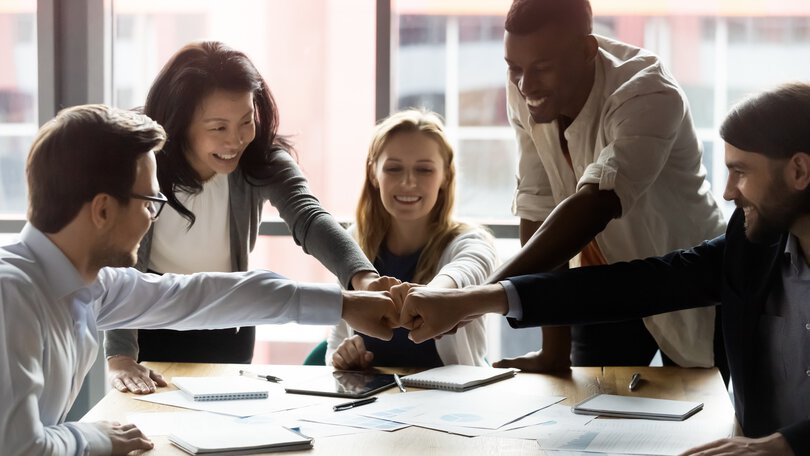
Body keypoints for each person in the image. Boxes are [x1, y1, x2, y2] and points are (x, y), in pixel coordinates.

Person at [398, 82, 810, 455]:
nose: (727, 191)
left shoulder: (645, 91)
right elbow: (641, 284)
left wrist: (784, 446)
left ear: (799, 171)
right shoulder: (754, 242)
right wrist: (480, 298)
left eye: (740, 172)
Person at [0, 104, 399, 455]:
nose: (153, 218)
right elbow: (21, 447)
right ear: (103, 210)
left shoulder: (90, 286)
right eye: (151, 202)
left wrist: (346, 304)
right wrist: (93, 438)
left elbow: (201, 296)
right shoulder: (12, 297)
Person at [103, 41, 397, 394]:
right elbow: (119, 260)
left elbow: (309, 216)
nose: (236, 140)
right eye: (218, 128)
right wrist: (119, 354)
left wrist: (364, 279)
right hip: (148, 317)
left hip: (230, 315)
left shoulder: (260, 158)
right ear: (180, 123)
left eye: (246, 121)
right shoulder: (144, 158)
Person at [490, 0, 726, 373]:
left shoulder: (647, 91)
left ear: (588, 50)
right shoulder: (524, 85)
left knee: (701, 415)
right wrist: (554, 352)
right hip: (604, 285)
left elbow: (596, 203)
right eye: (514, 68)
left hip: (683, 279)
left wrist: (481, 295)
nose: (524, 84)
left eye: (541, 69)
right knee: (590, 418)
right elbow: (538, 206)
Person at [326, 109, 498, 369]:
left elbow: (465, 273)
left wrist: (432, 294)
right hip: (374, 404)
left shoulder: (471, 242)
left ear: (445, 176)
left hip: (451, 404)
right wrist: (346, 359)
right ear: (374, 174)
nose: (408, 182)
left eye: (424, 170)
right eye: (394, 169)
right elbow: (336, 346)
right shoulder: (353, 245)